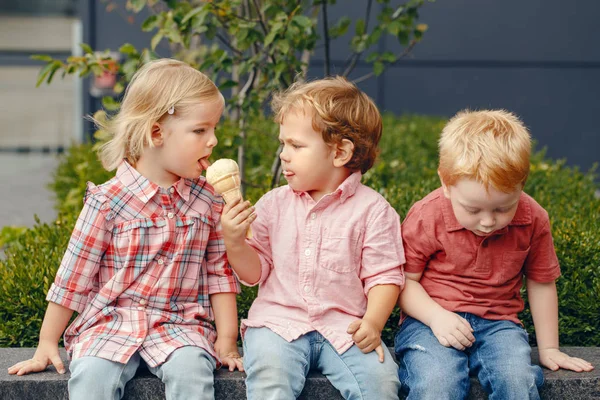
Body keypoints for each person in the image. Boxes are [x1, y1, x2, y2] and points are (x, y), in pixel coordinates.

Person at [8, 59, 243, 400]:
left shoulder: (208, 201)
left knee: (193, 375)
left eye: (214, 129)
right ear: (156, 132)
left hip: (181, 327)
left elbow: (219, 272)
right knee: (92, 379)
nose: (213, 141)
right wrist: (47, 341)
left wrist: (226, 340)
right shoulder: (108, 201)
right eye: (200, 130)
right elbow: (74, 276)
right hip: (110, 324)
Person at [222, 76, 405, 400]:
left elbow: (384, 276)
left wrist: (373, 323)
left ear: (340, 153)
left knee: (381, 382)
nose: (283, 154)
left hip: (345, 328)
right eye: (283, 144)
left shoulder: (373, 211)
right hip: (278, 325)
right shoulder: (274, 204)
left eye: (296, 145)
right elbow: (254, 274)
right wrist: (235, 243)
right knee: (270, 377)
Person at [395, 109, 594, 399]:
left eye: (502, 208)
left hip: (499, 325)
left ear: (521, 184)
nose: (488, 221)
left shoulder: (533, 218)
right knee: (437, 383)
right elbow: (403, 281)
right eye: (473, 209)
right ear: (445, 183)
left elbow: (540, 282)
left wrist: (549, 348)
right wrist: (436, 317)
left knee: (516, 381)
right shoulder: (427, 215)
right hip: (430, 323)